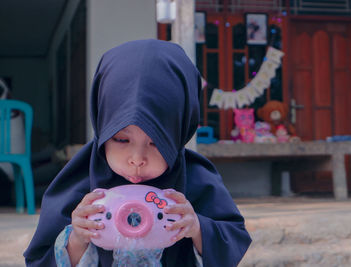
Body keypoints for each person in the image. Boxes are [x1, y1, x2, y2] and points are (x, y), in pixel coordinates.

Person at [24, 39, 252, 266]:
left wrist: (197, 228)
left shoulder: (196, 179)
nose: (137, 159)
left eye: (157, 143)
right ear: (102, 128)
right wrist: (76, 238)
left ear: (180, 133)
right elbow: (40, 260)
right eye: (122, 139)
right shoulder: (80, 183)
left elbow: (232, 240)